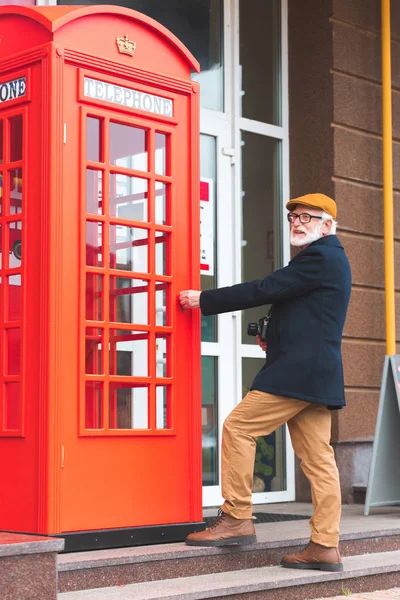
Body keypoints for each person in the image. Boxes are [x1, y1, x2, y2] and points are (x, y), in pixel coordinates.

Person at [179, 193, 351, 572]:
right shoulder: (325, 261)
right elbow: (302, 309)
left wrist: (202, 299)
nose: (296, 221)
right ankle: (325, 545)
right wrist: (274, 332)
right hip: (316, 372)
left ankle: (237, 515)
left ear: (327, 226)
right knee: (319, 460)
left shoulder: (321, 256)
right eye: (292, 216)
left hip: (296, 372)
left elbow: (266, 288)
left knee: (238, 427)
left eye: (307, 216)